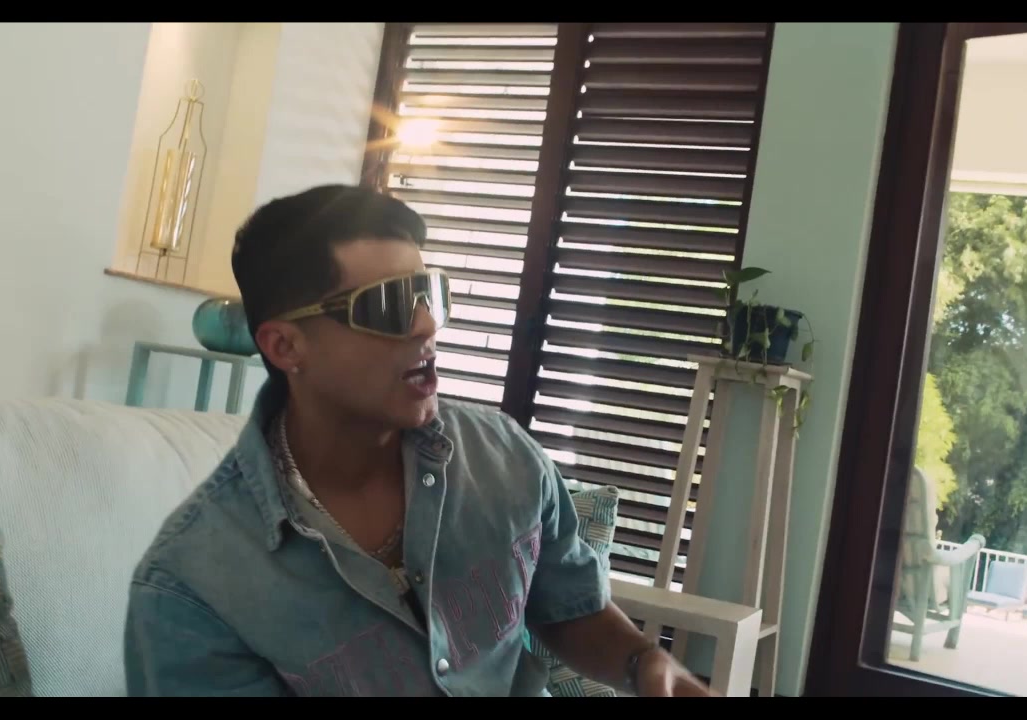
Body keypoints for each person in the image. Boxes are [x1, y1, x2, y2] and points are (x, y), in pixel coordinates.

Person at [122, 184, 712, 697]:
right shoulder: (193, 584)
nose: (427, 324)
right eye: (387, 306)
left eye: (429, 293)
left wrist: (644, 664)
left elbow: (569, 608)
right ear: (285, 346)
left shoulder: (505, 455)